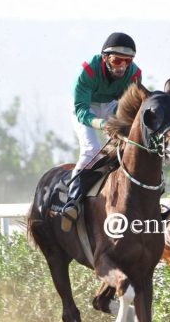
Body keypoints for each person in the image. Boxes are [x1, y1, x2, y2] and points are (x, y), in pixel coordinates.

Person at [58, 32, 142, 230]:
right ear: (105, 58)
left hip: (112, 105)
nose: (122, 66)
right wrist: (102, 124)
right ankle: (72, 199)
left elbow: (127, 107)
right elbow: (81, 111)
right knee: (92, 149)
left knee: (132, 145)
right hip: (85, 107)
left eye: (127, 61)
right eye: (117, 60)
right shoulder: (87, 72)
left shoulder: (135, 74)